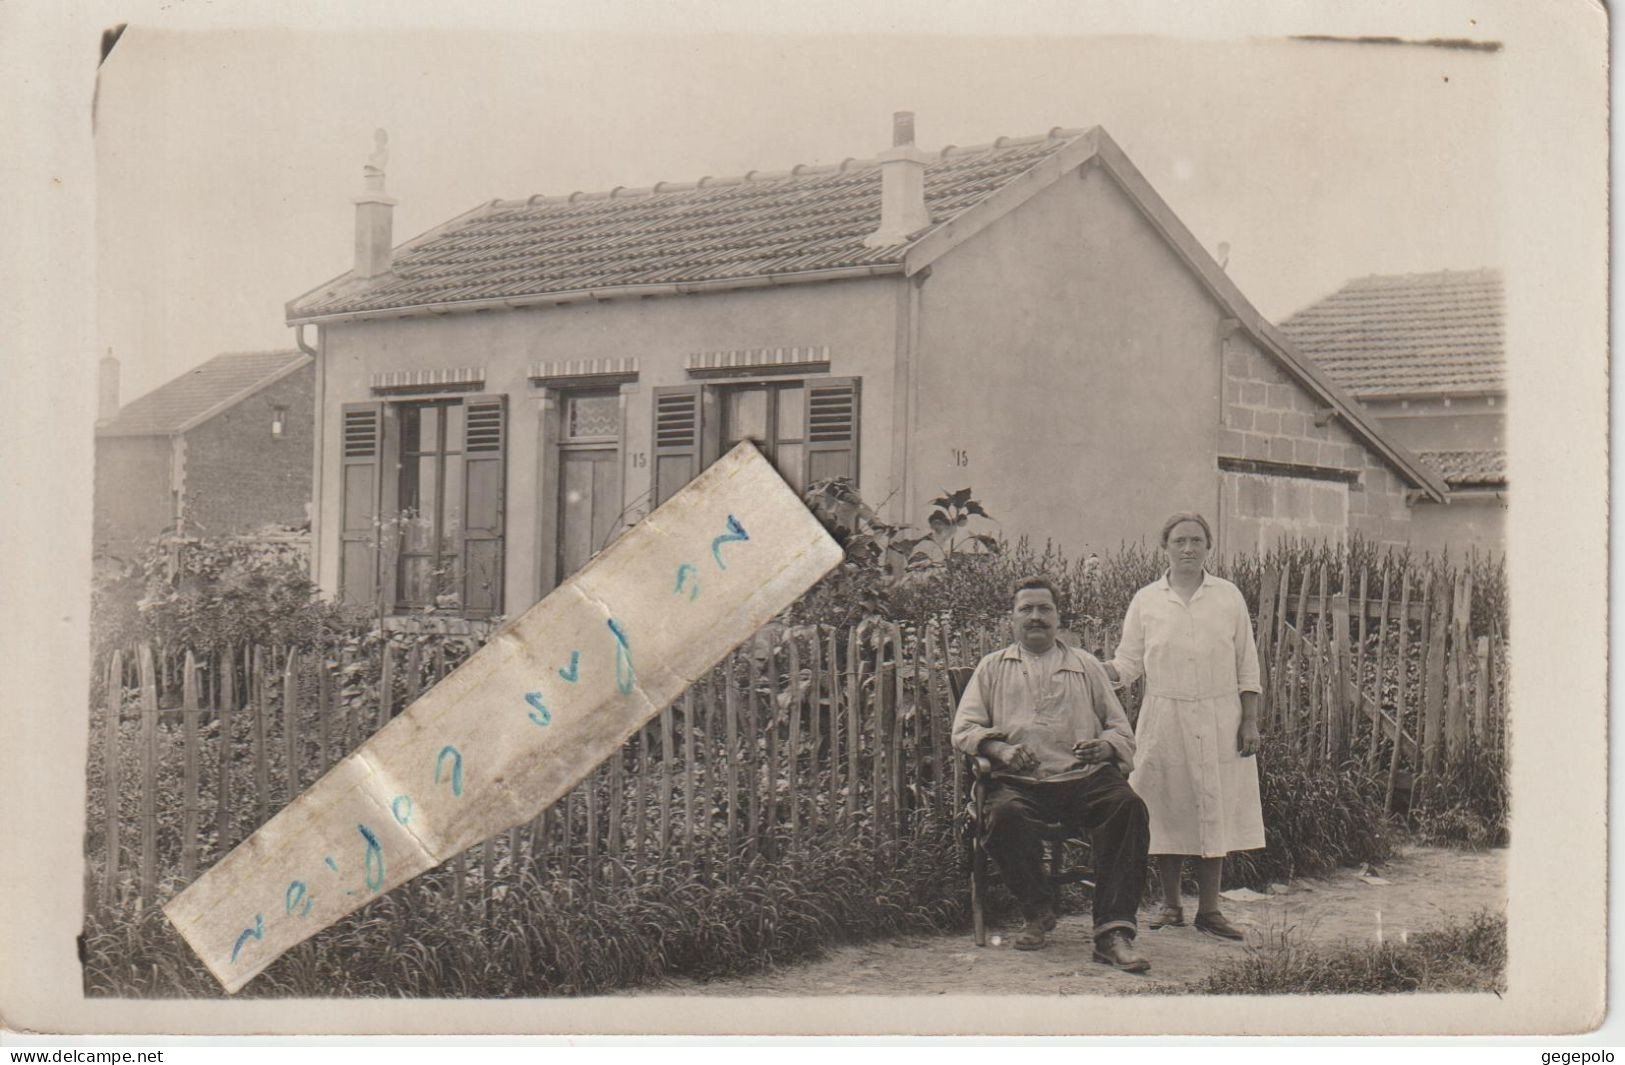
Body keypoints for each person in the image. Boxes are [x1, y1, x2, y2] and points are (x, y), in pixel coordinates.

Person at [951, 575, 1152, 972]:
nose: (1036, 617)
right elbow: (964, 729)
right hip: (1019, 782)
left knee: (1127, 807)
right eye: (1026, 609)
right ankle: (1036, 907)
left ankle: (1113, 934)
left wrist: (1106, 746)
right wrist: (1001, 750)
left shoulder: (1085, 666)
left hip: (1082, 778)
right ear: (1011, 618)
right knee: (1005, 815)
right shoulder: (993, 667)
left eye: (1045, 609)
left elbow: (1120, 728)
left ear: (1060, 618)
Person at [1103, 512, 1264, 940]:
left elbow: (1247, 664)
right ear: (1165, 547)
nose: (1188, 549)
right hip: (1164, 717)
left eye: (1196, 541)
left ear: (1208, 547)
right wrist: (1097, 671)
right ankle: (1171, 905)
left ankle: (1210, 911)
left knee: (1214, 808)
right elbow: (1129, 663)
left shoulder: (1228, 596)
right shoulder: (1146, 600)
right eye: (1180, 541)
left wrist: (1249, 720)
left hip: (1220, 716)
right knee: (1164, 808)